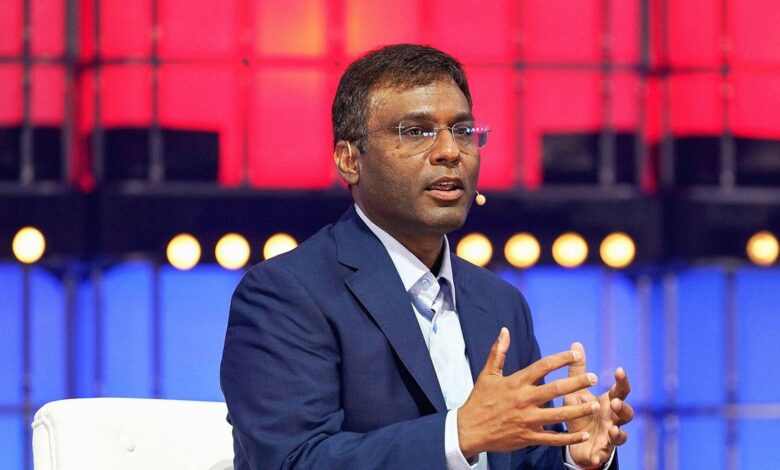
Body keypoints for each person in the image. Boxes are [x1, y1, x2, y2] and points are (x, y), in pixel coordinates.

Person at [220, 44, 633, 470]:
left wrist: (574, 456)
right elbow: (293, 461)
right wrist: (459, 435)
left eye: (463, 130)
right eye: (416, 132)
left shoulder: (500, 303)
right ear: (349, 160)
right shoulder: (286, 294)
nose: (450, 151)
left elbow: (521, 459)